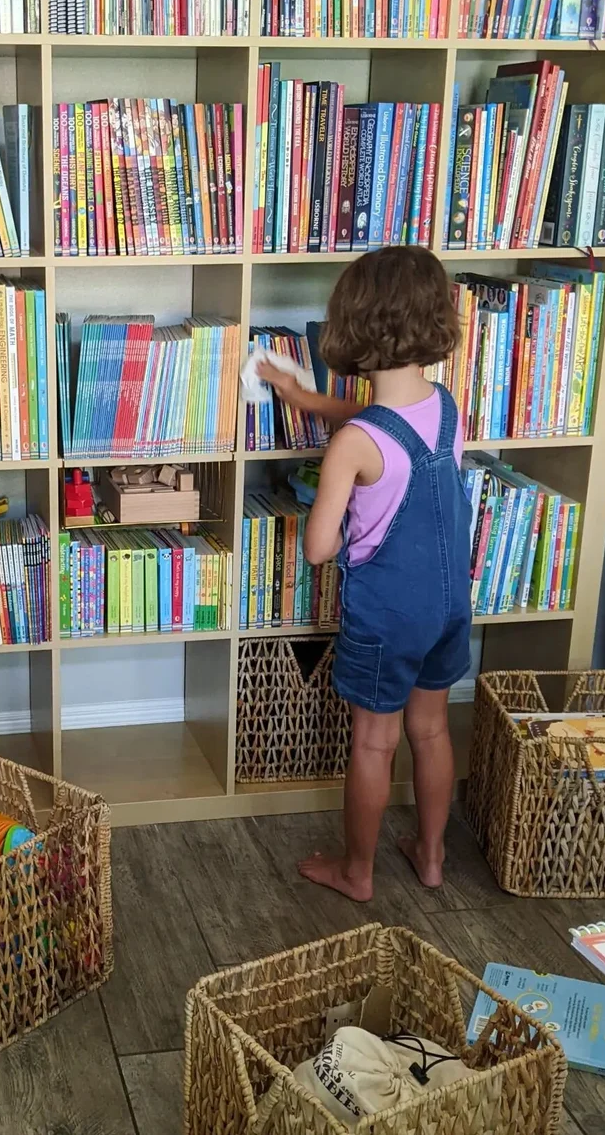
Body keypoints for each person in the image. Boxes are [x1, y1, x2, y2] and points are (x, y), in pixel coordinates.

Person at [257, 246, 470, 902]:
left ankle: (357, 871)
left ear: (351, 327)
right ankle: (432, 856)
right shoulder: (445, 408)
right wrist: (309, 400)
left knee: (374, 744)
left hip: (386, 617)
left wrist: (337, 492)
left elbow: (320, 548)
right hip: (447, 606)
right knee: (430, 730)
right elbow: (388, 429)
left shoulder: (355, 445)